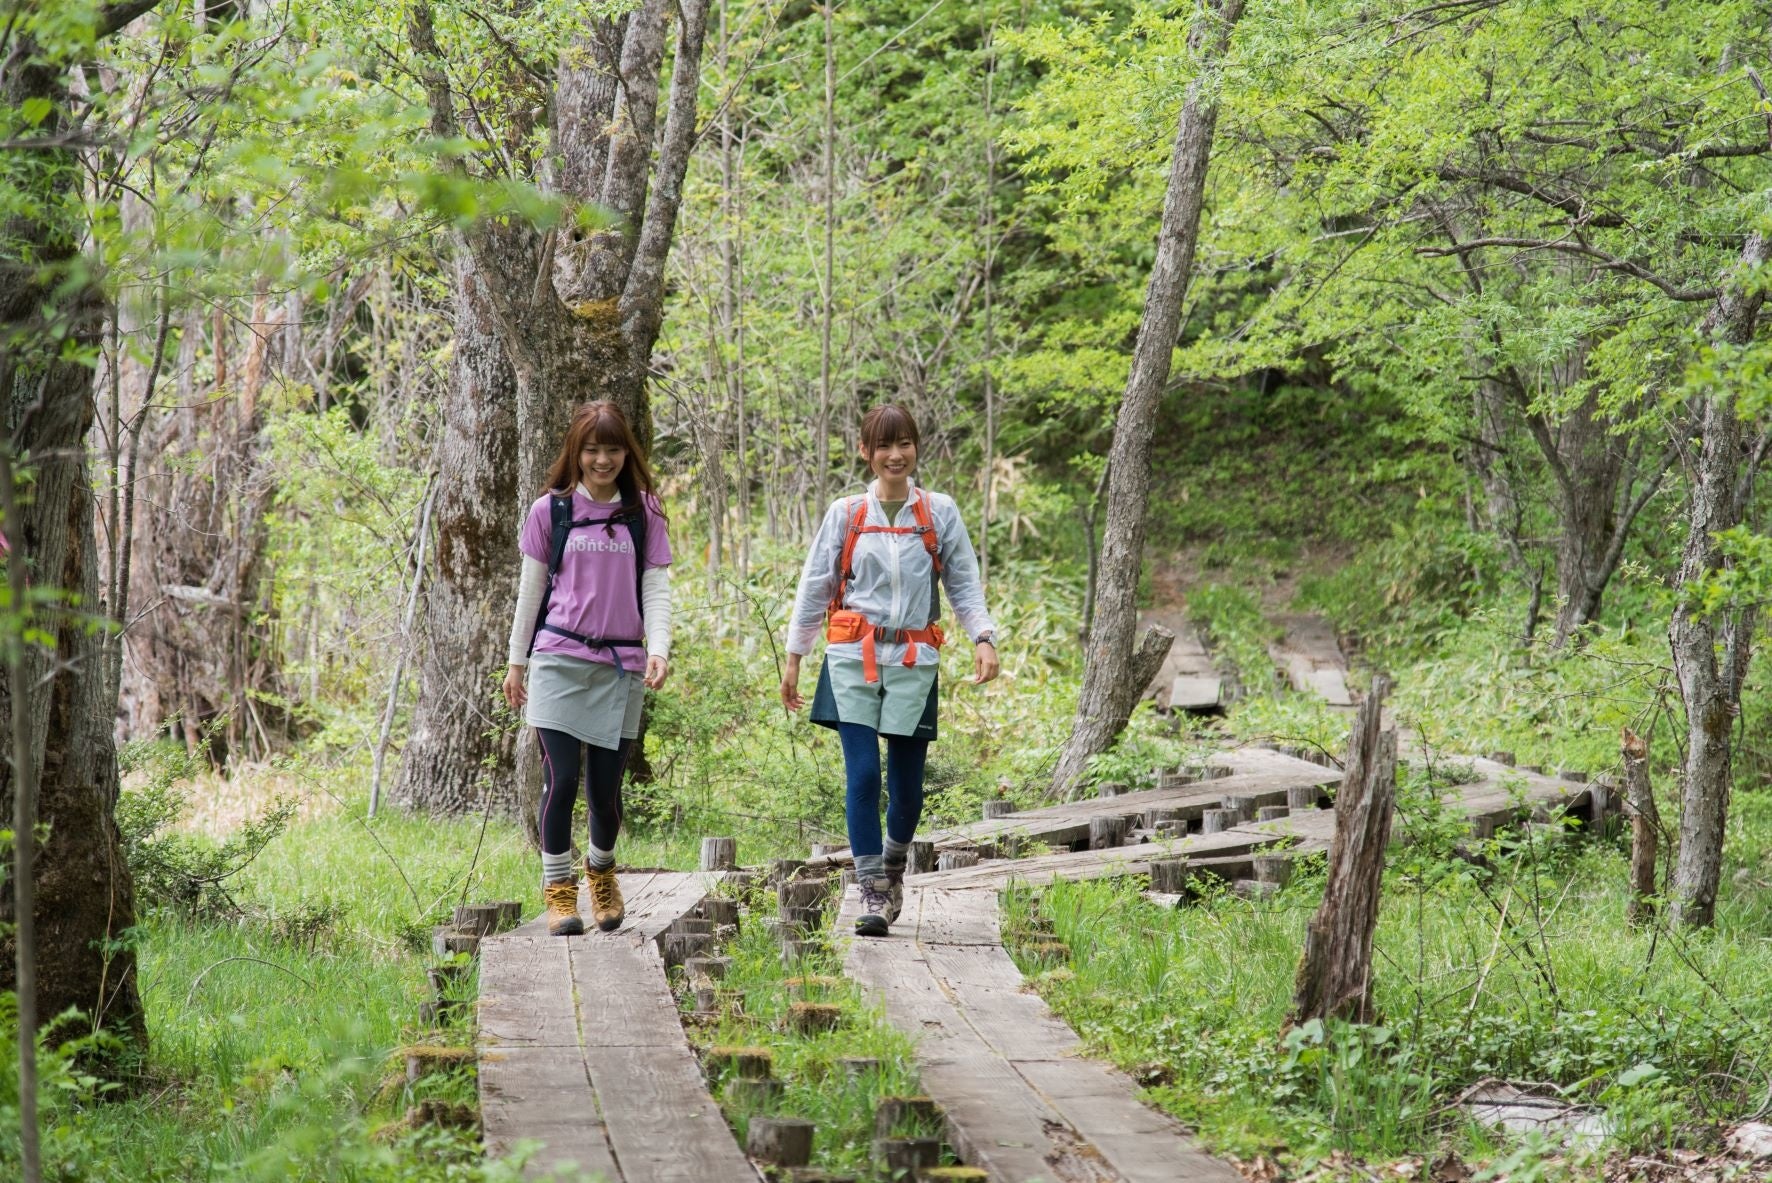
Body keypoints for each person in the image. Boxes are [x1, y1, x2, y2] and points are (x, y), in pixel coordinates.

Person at [781, 404, 999, 936]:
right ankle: (871, 890)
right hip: (852, 658)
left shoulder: (939, 511)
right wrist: (795, 657)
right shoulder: (848, 512)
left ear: (916, 448)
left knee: (906, 790)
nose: (894, 455)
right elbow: (817, 585)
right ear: (865, 452)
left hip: (914, 659)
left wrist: (984, 637)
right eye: (883, 446)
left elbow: (964, 582)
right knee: (863, 776)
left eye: (904, 444)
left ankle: (894, 866)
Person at [503, 402, 673, 936]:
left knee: (604, 790)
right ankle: (558, 891)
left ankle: (600, 872)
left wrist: (660, 649)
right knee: (561, 778)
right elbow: (530, 593)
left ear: (628, 452)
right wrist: (516, 662)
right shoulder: (549, 512)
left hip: (621, 664)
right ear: (575, 453)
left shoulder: (644, 513)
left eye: (613, 449)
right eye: (592, 450)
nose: (603, 460)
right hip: (558, 659)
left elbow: (657, 589)